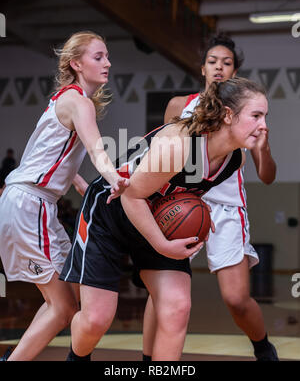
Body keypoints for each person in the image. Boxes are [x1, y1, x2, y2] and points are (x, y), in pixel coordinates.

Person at [60, 76, 269, 361]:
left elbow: (192, 196)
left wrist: (201, 223)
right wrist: (161, 244)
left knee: (177, 307)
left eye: (265, 116)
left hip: (158, 218)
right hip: (111, 214)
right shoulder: (180, 145)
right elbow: (131, 197)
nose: (264, 125)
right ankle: (77, 358)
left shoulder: (235, 160)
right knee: (96, 319)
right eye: (256, 115)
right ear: (229, 115)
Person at [142, 34, 278, 361]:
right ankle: (147, 361)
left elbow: (268, 176)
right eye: (213, 61)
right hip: (181, 205)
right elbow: (160, 157)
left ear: (235, 72)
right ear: (202, 68)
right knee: (160, 291)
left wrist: (264, 145)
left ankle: (263, 348)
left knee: (236, 299)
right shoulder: (179, 106)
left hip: (226, 207)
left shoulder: (248, 114)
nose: (219, 67)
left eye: (227, 63)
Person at [0, 31, 129, 361]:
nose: (107, 63)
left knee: (65, 303)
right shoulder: (77, 102)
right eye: (98, 57)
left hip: (34, 203)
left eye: (107, 56)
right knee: (62, 306)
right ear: (76, 63)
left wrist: (83, 186)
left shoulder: (63, 100)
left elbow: (49, 156)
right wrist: (114, 178)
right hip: (30, 205)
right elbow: (96, 148)